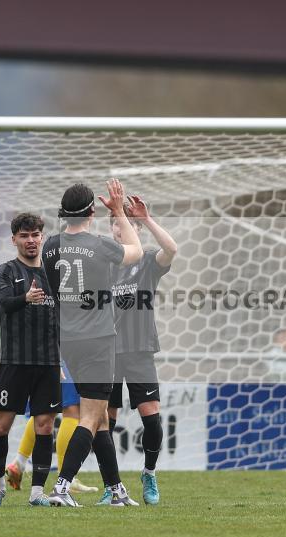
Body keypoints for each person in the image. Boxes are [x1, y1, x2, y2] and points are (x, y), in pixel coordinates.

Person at [48, 179, 143, 508]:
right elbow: (137, 252)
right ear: (92, 211)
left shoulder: (50, 246)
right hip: (99, 340)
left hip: (67, 341)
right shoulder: (100, 245)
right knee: (90, 416)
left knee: (100, 415)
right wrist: (119, 212)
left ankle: (116, 490)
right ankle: (61, 487)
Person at [100, 195, 177, 506]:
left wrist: (145, 218)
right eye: (119, 225)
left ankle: (149, 473)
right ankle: (111, 485)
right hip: (107, 352)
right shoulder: (103, 266)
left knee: (152, 419)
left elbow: (172, 249)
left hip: (140, 351)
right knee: (106, 420)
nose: (123, 229)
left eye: (129, 225)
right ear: (113, 231)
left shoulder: (147, 262)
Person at [0, 213, 60, 508]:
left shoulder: (54, 275)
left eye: (35, 235)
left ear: (42, 237)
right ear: (14, 239)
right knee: (1, 426)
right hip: (15, 362)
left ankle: (37, 492)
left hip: (49, 363)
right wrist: (26, 298)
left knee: (44, 426)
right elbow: (5, 302)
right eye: (24, 236)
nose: (31, 241)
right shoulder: (5, 271)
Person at [4, 361, 98, 494]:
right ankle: (65, 478)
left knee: (46, 411)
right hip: (62, 353)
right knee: (72, 409)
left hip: (45, 356)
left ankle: (19, 463)